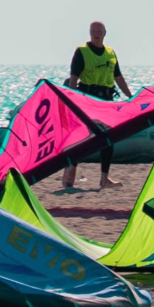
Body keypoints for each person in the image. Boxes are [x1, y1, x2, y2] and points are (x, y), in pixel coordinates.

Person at [60, 20, 131, 192]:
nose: (96, 33)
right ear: (90, 33)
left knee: (108, 139)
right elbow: (73, 78)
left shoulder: (110, 53)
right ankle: (70, 171)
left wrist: (131, 98)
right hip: (87, 99)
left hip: (106, 101)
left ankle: (104, 179)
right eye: (93, 31)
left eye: (99, 31)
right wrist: (73, 98)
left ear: (105, 33)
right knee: (80, 136)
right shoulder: (82, 52)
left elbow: (118, 77)